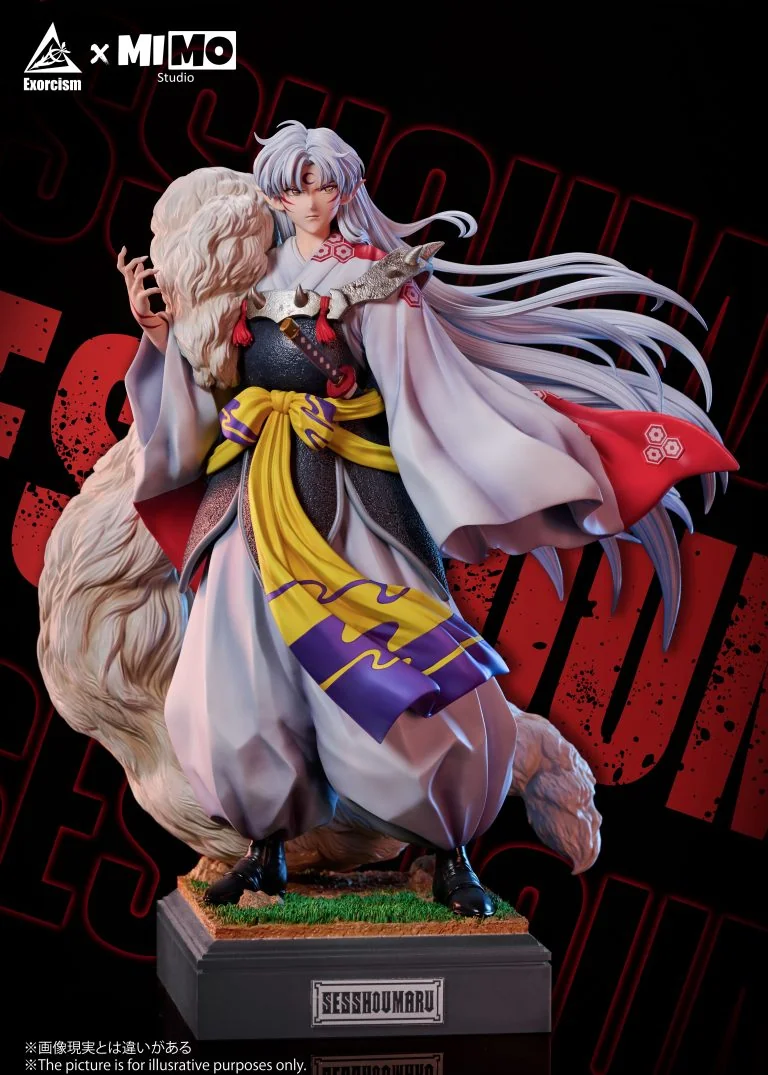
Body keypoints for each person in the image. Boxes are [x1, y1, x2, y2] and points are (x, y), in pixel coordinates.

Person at [117, 121, 737, 917]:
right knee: (231, 671)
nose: (311, 200)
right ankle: (265, 847)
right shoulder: (253, 277)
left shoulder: (378, 280)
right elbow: (219, 381)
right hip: (254, 499)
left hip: (349, 499)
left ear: (346, 189)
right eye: (296, 186)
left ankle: (450, 848)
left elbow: (419, 393)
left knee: (405, 671)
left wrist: (351, 420)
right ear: (275, 194)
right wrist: (175, 351)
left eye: (325, 184)